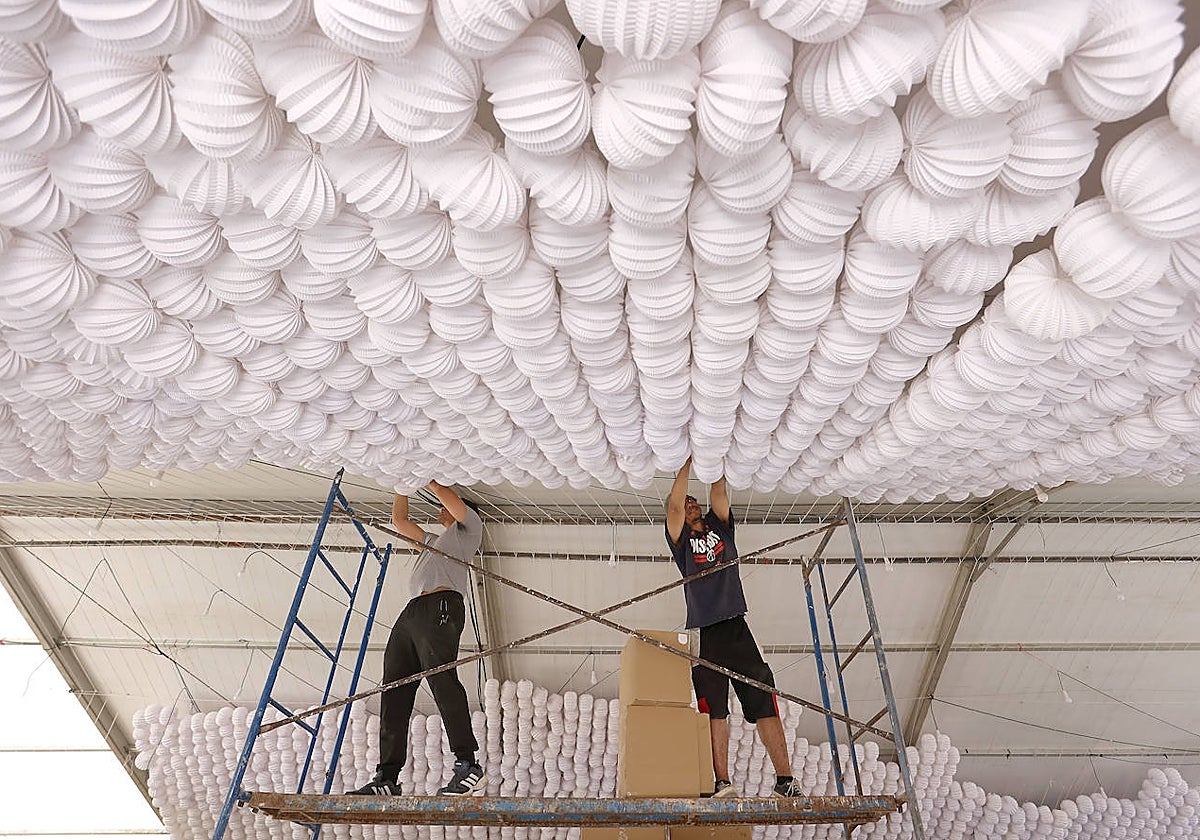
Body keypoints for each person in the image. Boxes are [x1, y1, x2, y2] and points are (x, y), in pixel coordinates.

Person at [666, 457, 801, 798]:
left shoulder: (720, 527)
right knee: (715, 708)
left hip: (736, 627)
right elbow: (672, 505)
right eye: (687, 502)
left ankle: (786, 780)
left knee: (763, 697)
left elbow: (718, 490)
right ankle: (721, 782)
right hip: (705, 632)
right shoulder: (680, 541)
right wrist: (686, 462)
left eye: (693, 500)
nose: (690, 503)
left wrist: (713, 453)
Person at [348, 481, 486, 797]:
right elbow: (400, 522)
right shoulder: (432, 542)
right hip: (413, 611)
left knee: (441, 680)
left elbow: (449, 500)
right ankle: (387, 777)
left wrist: (428, 480)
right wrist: (402, 486)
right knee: (393, 686)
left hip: (442, 606)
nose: (441, 512)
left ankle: (468, 764)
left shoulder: (470, 532)